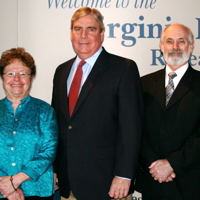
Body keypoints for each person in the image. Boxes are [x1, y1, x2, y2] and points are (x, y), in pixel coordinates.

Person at [52, 7, 143, 200]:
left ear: (102, 34)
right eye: (77, 29)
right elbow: (58, 126)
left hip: (108, 185)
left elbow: (131, 128)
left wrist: (124, 174)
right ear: (71, 34)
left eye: (91, 29)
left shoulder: (123, 69)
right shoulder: (61, 71)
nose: (83, 35)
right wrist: (55, 168)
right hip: (68, 185)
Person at [135, 23, 200, 200]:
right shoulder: (143, 84)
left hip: (191, 183)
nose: (175, 47)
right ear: (161, 46)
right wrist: (155, 167)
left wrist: (172, 164)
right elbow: (135, 129)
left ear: (191, 46)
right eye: (169, 41)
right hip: (152, 181)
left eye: (181, 41)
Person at [0, 47, 58, 200]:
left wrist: (16, 180)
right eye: (10, 73)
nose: (16, 79)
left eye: (23, 74)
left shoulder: (45, 110)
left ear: (31, 78)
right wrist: (8, 187)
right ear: (2, 77)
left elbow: (49, 151)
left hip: (37, 189)